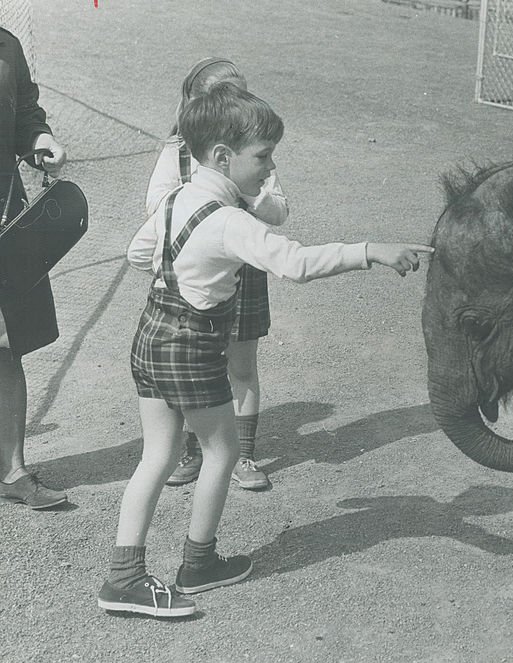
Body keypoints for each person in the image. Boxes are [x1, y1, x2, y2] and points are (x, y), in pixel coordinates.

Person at [97, 83, 432, 618]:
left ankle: (124, 575)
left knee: (156, 456)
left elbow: (140, 252)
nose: (270, 168)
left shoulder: (179, 198)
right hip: (191, 345)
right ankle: (198, 564)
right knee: (222, 452)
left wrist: (187, 272)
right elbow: (294, 262)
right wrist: (370, 250)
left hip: (151, 334)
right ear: (223, 156)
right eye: (264, 157)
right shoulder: (231, 221)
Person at [147, 58, 285, 491]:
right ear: (197, 105)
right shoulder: (176, 154)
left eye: (241, 97)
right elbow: (155, 209)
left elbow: (279, 210)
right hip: (195, 275)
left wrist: (255, 197)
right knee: (194, 366)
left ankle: (244, 455)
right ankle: (192, 452)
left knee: (241, 367)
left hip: (244, 270)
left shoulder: (253, 156)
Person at [0, 28, 69, 510]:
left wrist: (41, 140)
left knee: (6, 342)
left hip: (4, 209)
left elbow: (24, 112)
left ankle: (12, 470)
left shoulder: (6, 45)